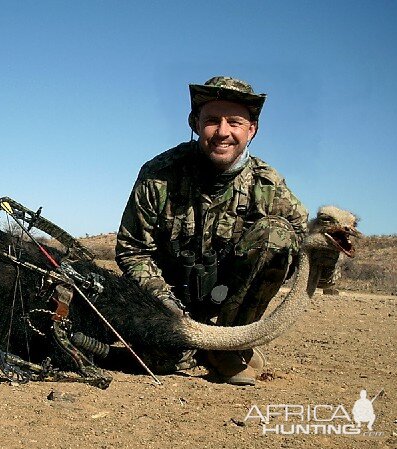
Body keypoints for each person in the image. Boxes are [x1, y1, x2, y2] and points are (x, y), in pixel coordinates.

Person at [115, 76, 309, 385]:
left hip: (226, 305)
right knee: (163, 360)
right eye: (212, 121)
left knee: (278, 235)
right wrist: (167, 307)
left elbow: (301, 242)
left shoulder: (268, 184)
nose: (223, 132)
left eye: (234, 122)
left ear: (251, 130)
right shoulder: (159, 174)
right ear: (195, 123)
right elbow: (132, 249)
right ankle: (204, 345)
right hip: (170, 302)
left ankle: (231, 345)